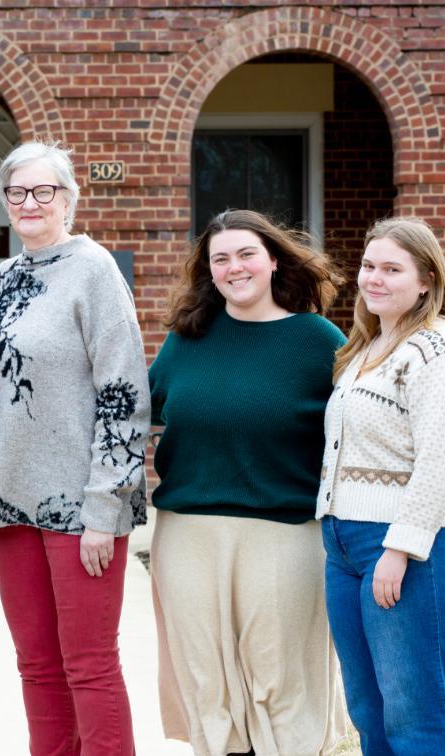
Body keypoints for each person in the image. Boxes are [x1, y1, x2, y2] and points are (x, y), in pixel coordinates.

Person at [147, 209, 347, 756]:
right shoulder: (186, 340)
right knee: (206, 680)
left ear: (273, 260)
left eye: (246, 254)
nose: (234, 267)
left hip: (284, 531)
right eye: (221, 259)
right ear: (208, 272)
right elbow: (137, 408)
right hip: (188, 532)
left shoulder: (318, 341)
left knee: (279, 677)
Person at [0, 141, 149, 755]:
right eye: (16, 193)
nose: (29, 202)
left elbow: (123, 390)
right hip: (11, 503)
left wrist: (107, 507)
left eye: (43, 191)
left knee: (89, 665)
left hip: (82, 508)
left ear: (69, 200)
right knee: (37, 667)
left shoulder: (94, 270)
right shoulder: (4, 276)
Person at [318, 217, 445, 754]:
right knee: (370, 710)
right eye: (369, 266)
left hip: (410, 550)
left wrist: (401, 547)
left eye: (393, 269)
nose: (375, 279)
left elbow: (442, 463)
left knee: (418, 717)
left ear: (427, 280)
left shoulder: (439, 351)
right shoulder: (367, 346)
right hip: (345, 546)